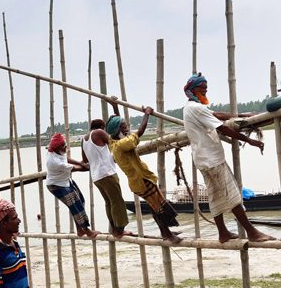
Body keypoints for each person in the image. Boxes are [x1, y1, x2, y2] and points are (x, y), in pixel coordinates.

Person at [183, 72, 276, 243]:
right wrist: (249, 140)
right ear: (194, 90)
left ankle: (223, 233)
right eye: (202, 88)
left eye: (206, 88)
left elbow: (216, 115)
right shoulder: (196, 108)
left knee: (215, 196)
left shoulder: (190, 108)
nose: (205, 90)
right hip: (212, 159)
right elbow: (222, 128)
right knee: (232, 195)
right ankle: (252, 232)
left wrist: (242, 116)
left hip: (202, 160)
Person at [105, 102, 182, 243]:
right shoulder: (122, 145)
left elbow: (117, 122)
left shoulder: (113, 141)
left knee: (156, 207)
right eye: (123, 127)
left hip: (141, 180)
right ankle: (167, 234)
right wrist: (146, 114)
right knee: (157, 207)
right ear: (118, 131)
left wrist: (115, 106)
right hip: (141, 181)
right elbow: (139, 133)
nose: (127, 129)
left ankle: (166, 231)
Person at [81, 118, 132, 238]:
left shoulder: (84, 139)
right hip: (107, 173)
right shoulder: (99, 133)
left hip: (96, 176)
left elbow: (84, 160)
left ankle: (115, 229)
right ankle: (119, 231)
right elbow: (114, 143)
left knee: (109, 202)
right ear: (102, 127)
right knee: (117, 201)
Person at [46, 133, 100, 238]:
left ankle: (80, 229)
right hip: (56, 185)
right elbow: (74, 168)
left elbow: (67, 158)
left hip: (65, 181)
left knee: (80, 200)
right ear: (57, 148)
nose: (65, 147)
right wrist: (87, 166)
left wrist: (80, 162)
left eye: (65, 144)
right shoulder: (54, 161)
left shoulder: (55, 151)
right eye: (63, 146)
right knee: (76, 206)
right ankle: (87, 231)